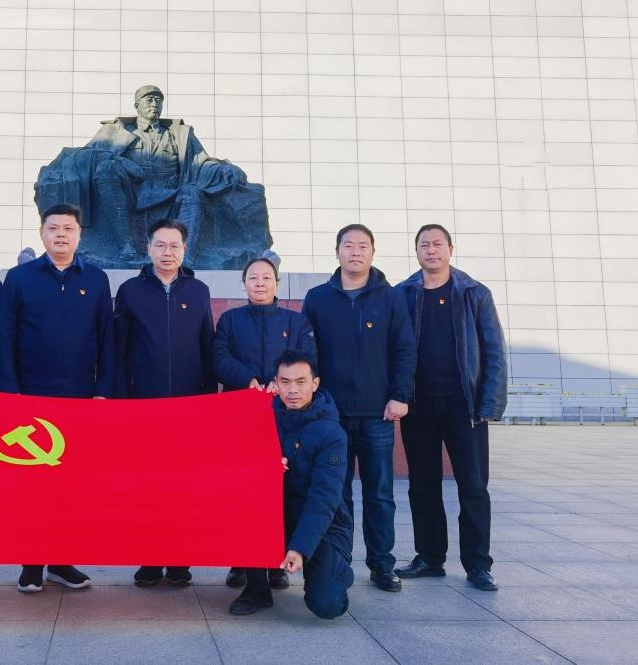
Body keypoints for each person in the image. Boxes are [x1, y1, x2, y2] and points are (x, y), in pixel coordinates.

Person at [0, 203, 115, 592]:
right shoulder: (20, 278)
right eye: (53, 228)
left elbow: (107, 339)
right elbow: (3, 337)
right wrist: (10, 391)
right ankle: (31, 563)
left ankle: (61, 561)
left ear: (79, 234)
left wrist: (102, 390)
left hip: (79, 397)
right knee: (32, 486)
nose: (61, 234)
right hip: (31, 398)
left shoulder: (96, 279)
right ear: (42, 233)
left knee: (71, 485)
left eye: (68, 228)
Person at [34, 85, 270, 269]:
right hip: (132, 191)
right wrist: (121, 161)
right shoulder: (117, 131)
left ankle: (185, 256)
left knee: (192, 192)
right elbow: (87, 156)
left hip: (170, 190)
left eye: (158, 100)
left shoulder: (179, 134)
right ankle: (125, 246)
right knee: (106, 169)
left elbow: (200, 163)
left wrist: (224, 170)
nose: (154, 104)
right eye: (149, 99)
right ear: (137, 105)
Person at [301, 224, 416, 592]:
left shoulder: (391, 298)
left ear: (372, 252)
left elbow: (404, 350)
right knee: (337, 494)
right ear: (337, 252)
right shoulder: (318, 298)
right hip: (331, 416)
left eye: (363, 246)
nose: (355, 251)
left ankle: (382, 564)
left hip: (377, 413)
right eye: (348, 245)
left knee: (379, 493)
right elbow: (307, 355)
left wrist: (400, 395)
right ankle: (340, 562)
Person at [396, 224, 507, 592]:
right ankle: (430, 557)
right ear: (416, 252)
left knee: (473, 487)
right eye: (424, 245)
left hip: (465, 407)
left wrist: (490, 402)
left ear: (450, 249)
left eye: (437, 244)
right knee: (422, 485)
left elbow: (493, 350)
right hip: (419, 406)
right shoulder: (403, 294)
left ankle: (478, 565)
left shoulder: (474, 293)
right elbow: (393, 349)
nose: (431, 250)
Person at [114, 218, 216, 588]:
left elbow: (208, 347)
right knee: (147, 488)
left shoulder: (199, 291)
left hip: (189, 408)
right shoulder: (130, 291)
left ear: (184, 250)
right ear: (149, 248)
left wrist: (208, 402)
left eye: (174, 246)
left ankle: (179, 559)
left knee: (183, 488)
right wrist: (122, 401)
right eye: (160, 245)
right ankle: (150, 558)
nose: (167, 252)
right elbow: (119, 351)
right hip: (144, 407)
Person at [212, 255, 318, 590]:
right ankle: (240, 562)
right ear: (244, 284)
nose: (260, 283)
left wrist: (279, 382)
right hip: (240, 417)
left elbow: (307, 360)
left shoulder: (295, 321)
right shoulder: (230, 320)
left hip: (284, 416)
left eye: (266, 277)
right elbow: (219, 358)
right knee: (239, 488)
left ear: (277, 283)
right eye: (253, 278)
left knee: (281, 488)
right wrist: (247, 380)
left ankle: (276, 562)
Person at [229, 351, 353, 618]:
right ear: (275, 383)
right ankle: (257, 589)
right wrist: (262, 467)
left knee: (328, 605)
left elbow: (324, 498)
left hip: (321, 523)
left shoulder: (332, 434)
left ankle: (336, 568)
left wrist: (300, 548)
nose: (292, 390)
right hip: (273, 516)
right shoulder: (262, 418)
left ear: (315, 384)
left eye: (300, 381)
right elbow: (235, 464)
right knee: (243, 504)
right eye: (285, 382)